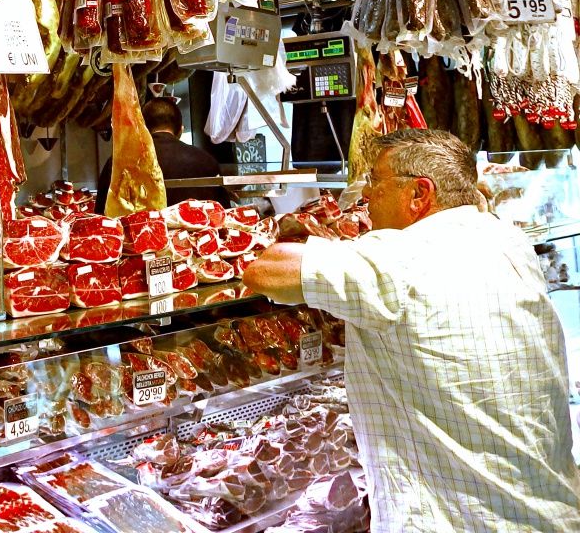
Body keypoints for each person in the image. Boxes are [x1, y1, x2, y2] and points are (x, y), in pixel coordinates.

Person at [244, 129, 580, 533]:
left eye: (375, 181)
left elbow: (265, 270)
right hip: (552, 509)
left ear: (419, 194)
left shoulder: (397, 259)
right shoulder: (508, 240)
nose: (366, 196)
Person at [97, 97, 228, 213]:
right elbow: (223, 214)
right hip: (201, 239)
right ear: (181, 130)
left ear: (143, 130)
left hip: (142, 238)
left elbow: (100, 216)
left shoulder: (118, 162)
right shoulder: (206, 161)